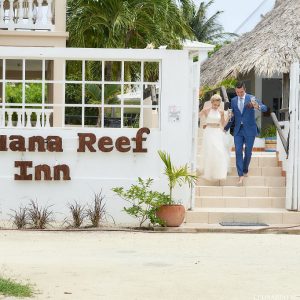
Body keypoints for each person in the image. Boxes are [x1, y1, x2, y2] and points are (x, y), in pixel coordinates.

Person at [224, 81, 268, 185]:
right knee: (238, 151)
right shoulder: (233, 100)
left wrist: (256, 106)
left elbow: (265, 108)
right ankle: (240, 175)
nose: (239, 94)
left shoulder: (251, 98)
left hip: (250, 129)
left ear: (245, 90)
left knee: (248, 152)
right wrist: (225, 128)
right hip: (238, 130)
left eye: (241, 92)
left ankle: (245, 169)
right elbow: (232, 116)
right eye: (237, 92)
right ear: (235, 91)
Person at [198, 94, 232, 181]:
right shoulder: (206, 110)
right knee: (210, 152)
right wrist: (204, 125)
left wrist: (228, 117)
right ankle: (209, 173)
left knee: (220, 152)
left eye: (218, 105)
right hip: (208, 132)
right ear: (211, 102)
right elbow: (196, 117)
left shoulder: (220, 112)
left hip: (217, 132)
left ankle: (219, 173)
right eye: (214, 104)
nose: (216, 106)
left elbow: (223, 124)